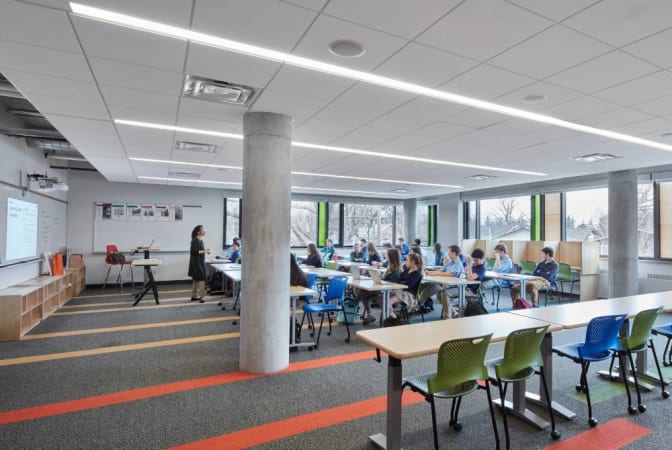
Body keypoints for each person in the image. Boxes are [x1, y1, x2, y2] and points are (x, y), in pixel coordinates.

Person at [359, 248, 403, 324]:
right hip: (383, 288)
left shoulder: (396, 270)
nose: (385, 255)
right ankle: (370, 315)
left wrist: (381, 280)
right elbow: (385, 280)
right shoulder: (390, 267)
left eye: (387, 255)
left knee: (367, 294)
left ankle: (393, 317)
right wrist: (379, 278)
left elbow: (391, 284)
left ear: (391, 257)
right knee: (363, 292)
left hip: (390, 291)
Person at [425, 245, 464, 319]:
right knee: (438, 294)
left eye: (449, 252)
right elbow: (441, 271)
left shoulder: (458, 263)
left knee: (443, 293)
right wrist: (431, 273)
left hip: (455, 287)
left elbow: (451, 274)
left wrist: (437, 274)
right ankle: (454, 312)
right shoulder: (450, 262)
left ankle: (447, 317)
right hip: (447, 285)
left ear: (454, 253)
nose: (448, 253)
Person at [388, 252, 423, 319]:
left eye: (407, 260)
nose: (405, 261)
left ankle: (394, 317)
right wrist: (402, 282)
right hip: (401, 290)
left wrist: (402, 282)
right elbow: (399, 280)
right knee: (382, 299)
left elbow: (409, 285)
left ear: (412, 262)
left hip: (408, 294)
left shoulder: (417, 274)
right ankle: (390, 315)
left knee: (387, 302)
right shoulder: (406, 271)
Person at [188, 225, 210, 303]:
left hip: (199, 263)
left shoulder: (200, 240)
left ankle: (194, 296)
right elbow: (195, 251)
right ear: (198, 232)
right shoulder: (195, 240)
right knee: (201, 279)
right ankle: (202, 297)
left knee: (196, 280)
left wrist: (205, 251)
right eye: (203, 229)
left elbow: (200, 251)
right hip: (197, 264)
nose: (204, 231)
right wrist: (205, 251)